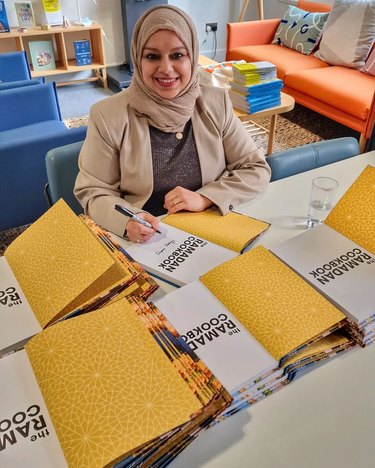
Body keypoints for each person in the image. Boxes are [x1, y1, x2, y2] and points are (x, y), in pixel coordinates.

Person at [74, 5, 271, 244]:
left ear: (192, 56)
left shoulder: (215, 102)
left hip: (209, 228)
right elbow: (93, 191)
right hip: (144, 241)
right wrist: (128, 220)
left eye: (178, 55)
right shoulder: (108, 116)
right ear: (138, 57)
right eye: (152, 56)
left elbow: (255, 169)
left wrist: (206, 197)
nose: (166, 68)